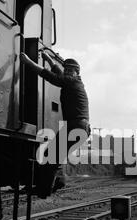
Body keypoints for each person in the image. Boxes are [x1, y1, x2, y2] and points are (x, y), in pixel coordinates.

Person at [20, 51, 91, 198]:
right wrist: (50, 61)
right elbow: (60, 74)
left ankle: (44, 190)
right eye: (66, 70)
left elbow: (54, 78)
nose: (67, 72)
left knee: (51, 155)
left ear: (77, 72)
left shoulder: (72, 82)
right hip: (79, 128)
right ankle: (58, 182)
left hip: (76, 127)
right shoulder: (73, 81)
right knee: (55, 156)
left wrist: (28, 62)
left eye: (71, 70)